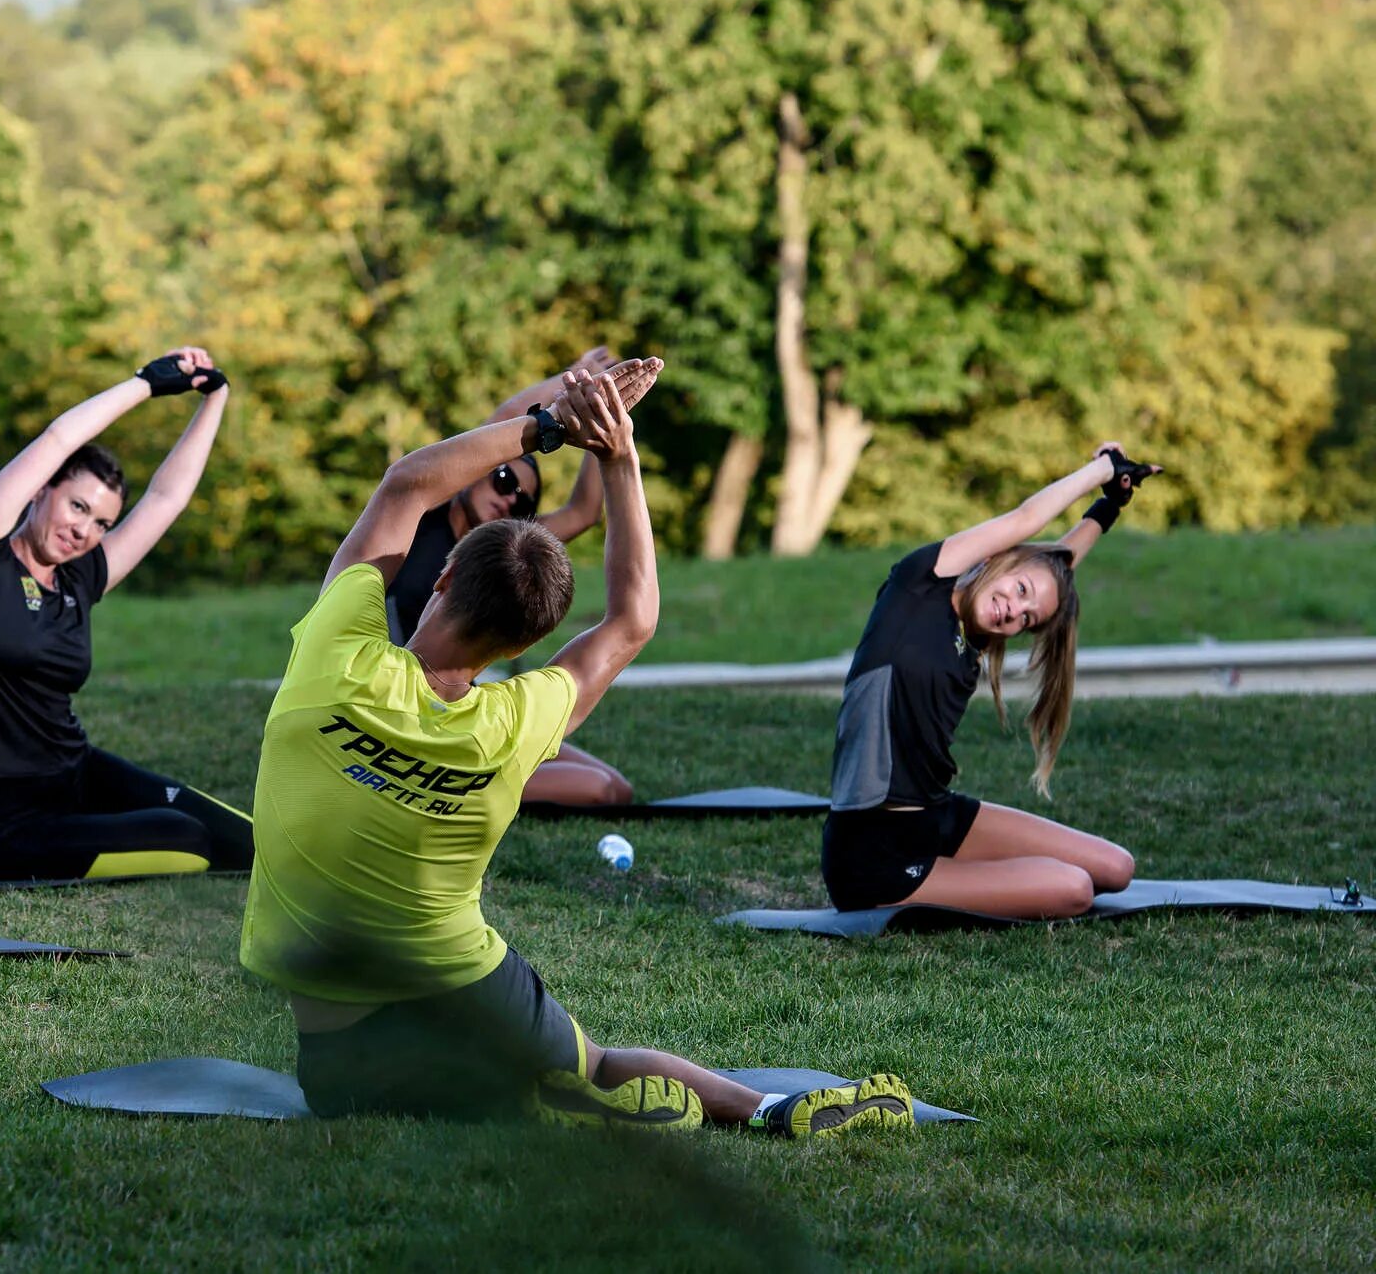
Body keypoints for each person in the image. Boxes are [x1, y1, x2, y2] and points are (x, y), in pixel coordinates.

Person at [241, 357, 914, 1137]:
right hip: (460, 981)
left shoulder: (336, 655)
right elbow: (631, 619)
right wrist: (619, 456)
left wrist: (551, 421)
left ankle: (544, 1104)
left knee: (422, 1086)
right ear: (530, 639)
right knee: (590, 1060)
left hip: (337, 1048)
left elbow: (405, 484)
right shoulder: (517, 721)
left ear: (445, 573)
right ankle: (767, 1107)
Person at [0, 347, 254, 882]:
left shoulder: (78, 577)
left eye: (101, 522)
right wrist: (145, 385)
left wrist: (215, 398)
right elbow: (59, 439)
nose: (85, 531)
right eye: (77, 507)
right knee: (187, 838)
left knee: (245, 838)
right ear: (42, 491)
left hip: (79, 776)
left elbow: (165, 498)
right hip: (7, 826)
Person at [821, 445, 1161, 919]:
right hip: (875, 851)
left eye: (1027, 619)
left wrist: (1107, 508)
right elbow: (1025, 521)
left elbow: (1054, 571)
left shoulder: (976, 640)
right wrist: (1103, 467)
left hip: (935, 816)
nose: (1013, 611)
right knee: (1075, 889)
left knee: (1116, 867)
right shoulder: (920, 585)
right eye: (1019, 591)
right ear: (1003, 561)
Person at [384, 347, 632, 807]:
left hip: (465, 717)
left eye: (522, 502)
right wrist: (572, 382)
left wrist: (609, 431)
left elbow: (582, 512)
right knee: (599, 791)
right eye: (501, 479)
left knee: (615, 785)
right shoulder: (426, 515)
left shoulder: (501, 552)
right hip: (409, 731)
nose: (508, 499)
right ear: (473, 476)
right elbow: (498, 422)